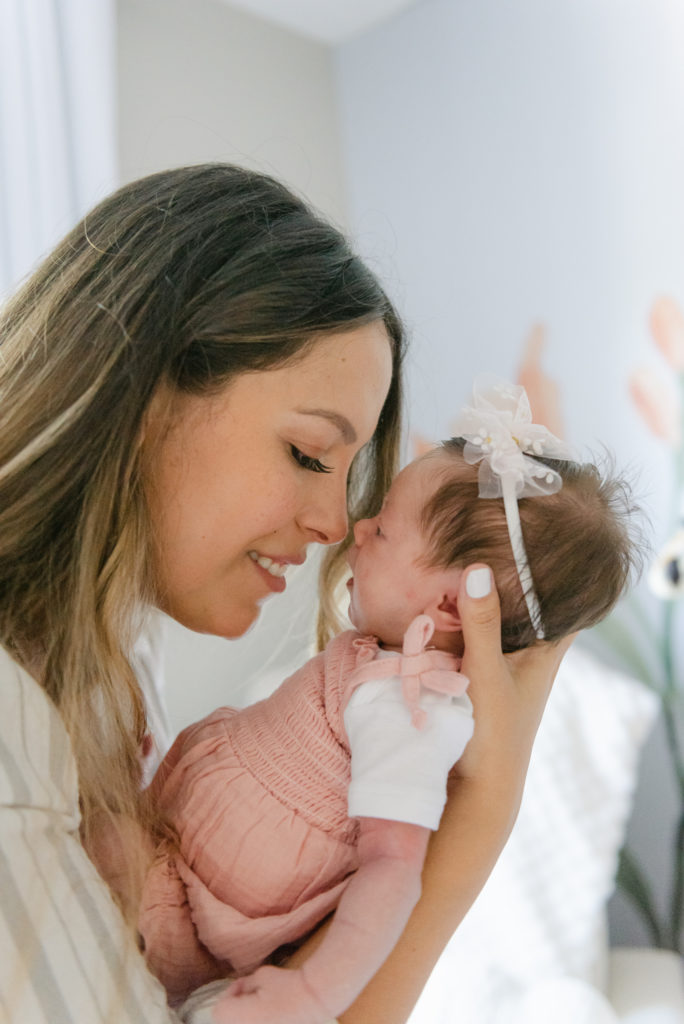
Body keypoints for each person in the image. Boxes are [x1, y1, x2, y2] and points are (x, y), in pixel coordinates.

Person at [0, 164, 573, 1024]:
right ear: (141, 394)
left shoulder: (110, 661)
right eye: (309, 454)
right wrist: (475, 826)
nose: (337, 525)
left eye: (351, 478)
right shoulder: (13, 731)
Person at [124, 380, 641, 1024]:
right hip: (177, 862)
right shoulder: (374, 665)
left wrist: (313, 993)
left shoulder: (412, 707)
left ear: (451, 605)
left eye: (387, 529)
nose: (357, 527)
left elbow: (392, 872)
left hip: (189, 910)